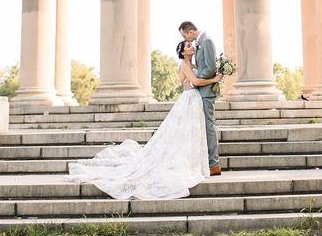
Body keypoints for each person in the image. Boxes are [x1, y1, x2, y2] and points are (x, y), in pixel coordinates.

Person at [66, 38, 221, 199]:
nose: (192, 47)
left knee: (190, 133)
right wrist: (214, 80)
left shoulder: (192, 64)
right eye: (188, 46)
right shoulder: (184, 65)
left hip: (193, 100)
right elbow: (195, 81)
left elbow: (199, 75)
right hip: (189, 100)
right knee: (184, 133)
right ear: (183, 52)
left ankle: (194, 162)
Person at [178, 21, 221, 176]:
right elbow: (200, 72)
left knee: (208, 126)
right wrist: (198, 79)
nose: (186, 41)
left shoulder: (207, 41)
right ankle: (204, 162)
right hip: (199, 90)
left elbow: (210, 68)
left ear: (190, 32)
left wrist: (198, 78)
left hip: (205, 91)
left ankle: (214, 164)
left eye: (184, 36)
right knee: (200, 128)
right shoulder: (198, 45)